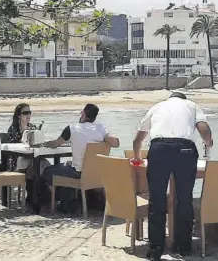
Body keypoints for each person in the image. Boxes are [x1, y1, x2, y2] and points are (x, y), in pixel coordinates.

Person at [132, 92, 213, 260]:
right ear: (183, 99)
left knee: (157, 199)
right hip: (185, 150)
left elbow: (138, 138)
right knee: (184, 199)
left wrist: (138, 156)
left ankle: (155, 249)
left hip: (159, 148)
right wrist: (208, 142)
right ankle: (183, 247)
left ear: (169, 98)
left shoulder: (157, 106)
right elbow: (203, 128)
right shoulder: (192, 105)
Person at [43, 103, 120, 212]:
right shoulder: (101, 128)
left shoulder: (72, 128)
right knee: (68, 166)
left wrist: (44, 143)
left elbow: (56, 143)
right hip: (97, 174)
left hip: (78, 173)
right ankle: (70, 201)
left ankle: (60, 202)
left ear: (83, 113)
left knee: (47, 171)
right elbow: (116, 143)